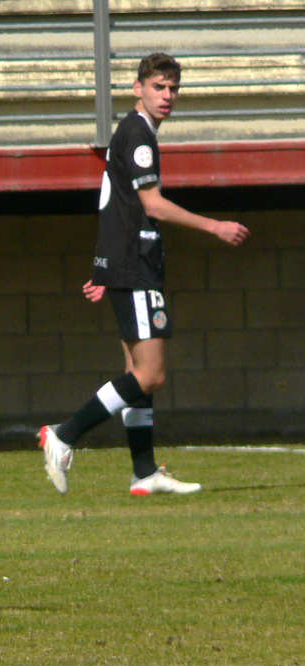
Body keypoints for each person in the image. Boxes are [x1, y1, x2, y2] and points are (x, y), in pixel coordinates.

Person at [38, 53, 250, 496]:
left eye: (173, 88)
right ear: (138, 88)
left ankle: (144, 472)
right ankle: (65, 434)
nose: (167, 95)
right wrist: (215, 226)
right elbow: (150, 205)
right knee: (150, 375)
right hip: (135, 268)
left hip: (127, 265)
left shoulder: (137, 133)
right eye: (159, 86)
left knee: (135, 371)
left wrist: (103, 268)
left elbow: (112, 204)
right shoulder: (137, 134)